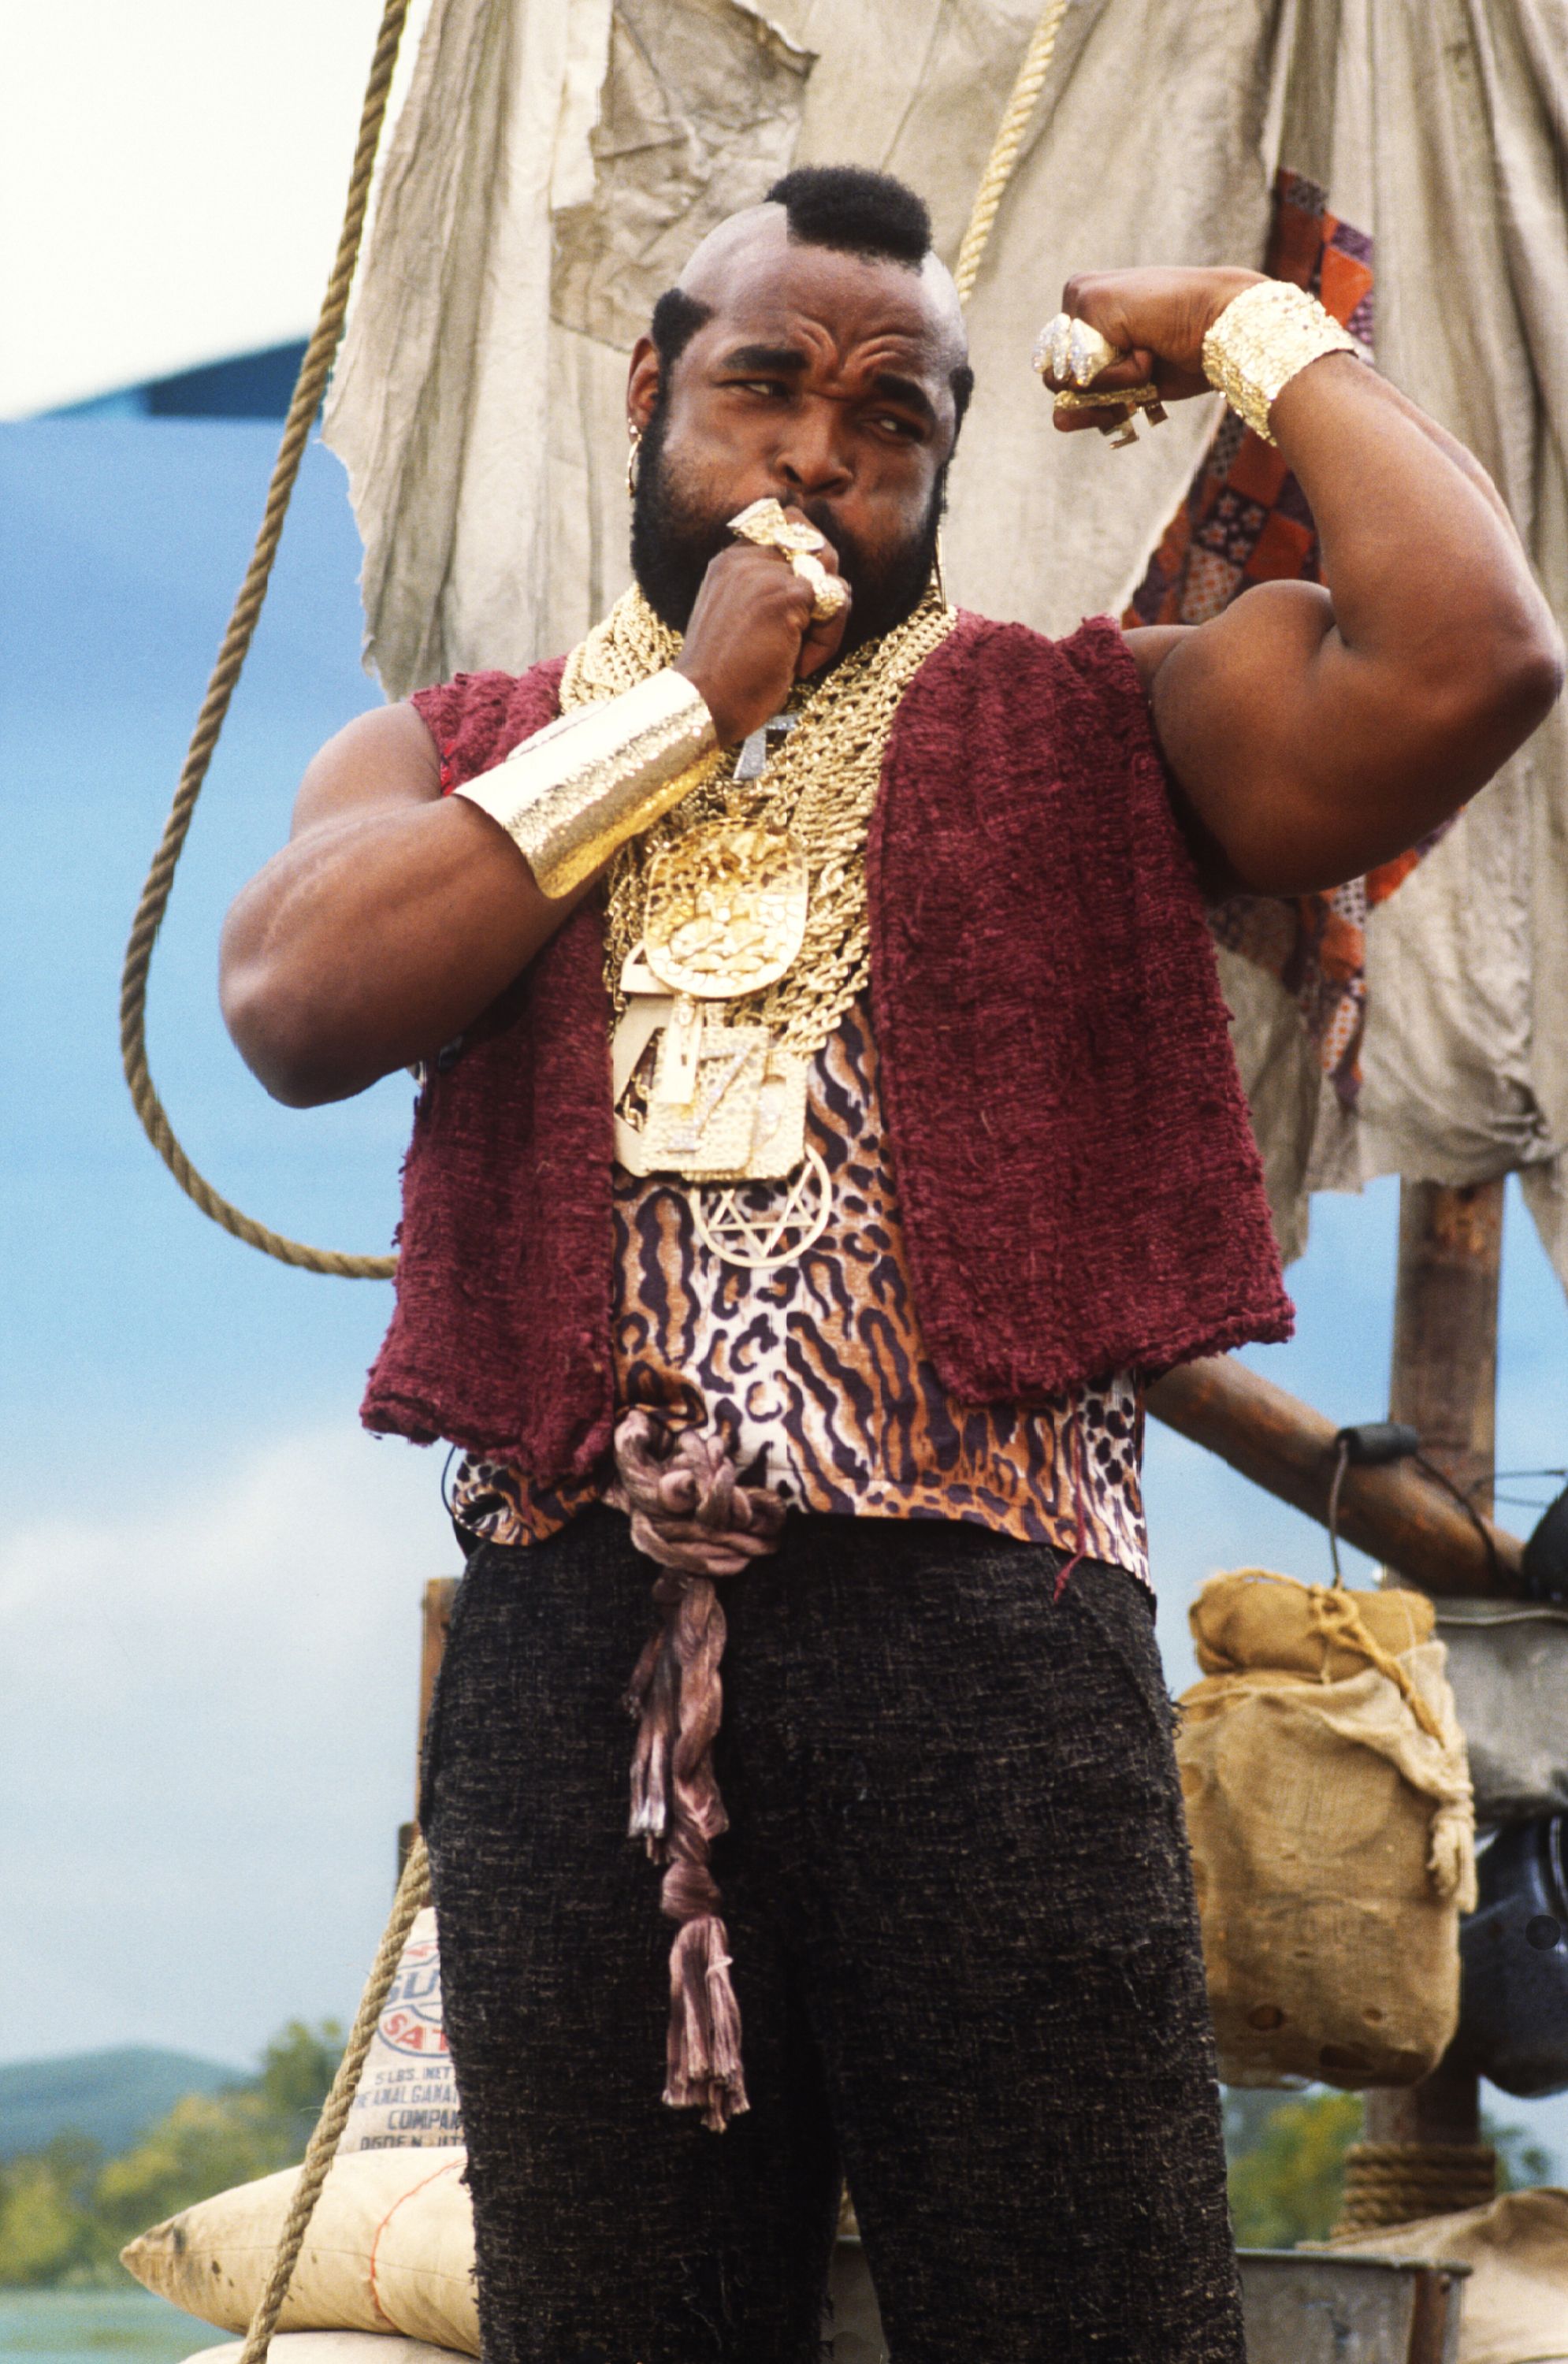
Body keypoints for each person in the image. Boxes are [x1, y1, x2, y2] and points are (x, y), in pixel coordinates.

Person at [220, 165, 1560, 2364]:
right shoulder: (449, 752)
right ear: (653, 392)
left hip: (990, 1653)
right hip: (578, 1680)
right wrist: (684, 716)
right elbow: (289, 1011)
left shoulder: (1095, 722)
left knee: (1088, 2323)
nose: (821, 455)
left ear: (950, 457)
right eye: (762, 388)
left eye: (895, 419)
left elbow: (1476, 656)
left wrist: (1248, 322)